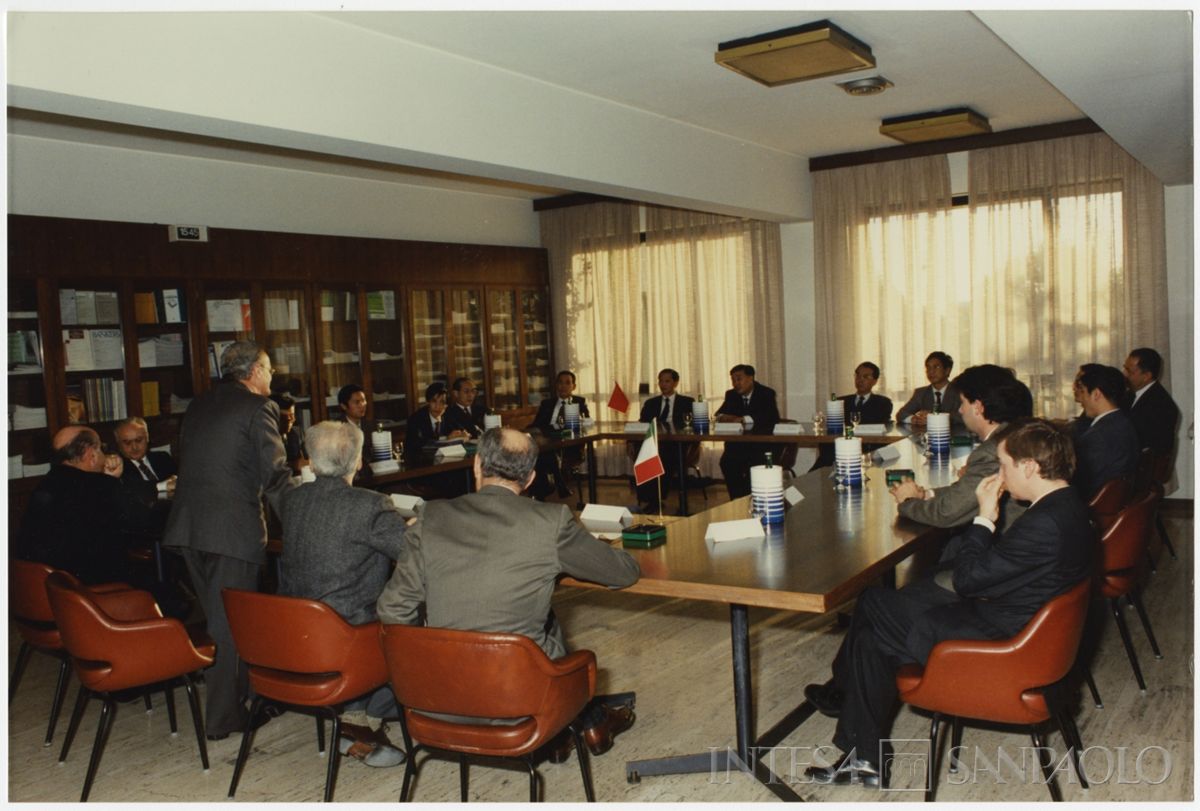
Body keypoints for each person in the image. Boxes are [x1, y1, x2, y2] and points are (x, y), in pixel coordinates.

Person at [804, 418, 1093, 787]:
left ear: (1030, 467)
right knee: (873, 636)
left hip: (1004, 641)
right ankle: (862, 755)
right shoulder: (1070, 507)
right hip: (1025, 625)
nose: (1000, 474)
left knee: (873, 605)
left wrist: (984, 517)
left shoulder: (1044, 523)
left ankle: (858, 740)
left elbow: (967, 580)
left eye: (1004, 465)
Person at [376, 427, 640, 758]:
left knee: (542, 616)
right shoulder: (551, 520)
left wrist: (427, 667)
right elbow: (623, 573)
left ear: (476, 465)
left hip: (435, 701)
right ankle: (583, 724)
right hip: (519, 703)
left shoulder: (430, 516)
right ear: (530, 479)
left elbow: (393, 610)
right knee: (546, 626)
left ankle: (565, 735)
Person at [163, 341, 295, 741]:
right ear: (254, 371)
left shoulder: (200, 404)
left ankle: (249, 694)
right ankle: (222, 719)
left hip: (189, 529)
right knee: (230, 627)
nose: (272, 377)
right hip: (231, 533)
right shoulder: (258, 409)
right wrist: (302, 518)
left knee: (220, 620)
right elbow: (274, 476)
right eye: (269, 369)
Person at [278, 420, 407, 768]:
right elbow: (410, 551)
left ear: (310, 460)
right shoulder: (370, 505)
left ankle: (357, 719)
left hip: (294, 633)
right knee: (415, 619)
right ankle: (362, 720)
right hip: (348, 639)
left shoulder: (292, 500)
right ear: (357, 461)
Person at [891, 364, 1032, 530]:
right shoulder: (1012, 434)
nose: (960, 409)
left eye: (963, 403)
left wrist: (908, 501)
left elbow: (946, 513)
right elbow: (966, 492)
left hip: (1002, 546)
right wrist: (927, 494)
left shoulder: (992, 452)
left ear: (978, 407)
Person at [18, 425, 154, 586]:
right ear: (92, 454)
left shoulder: (46, 483)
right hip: (92, 589)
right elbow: (145, 522)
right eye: (102, 449)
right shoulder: (103, 486)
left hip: (46, 587)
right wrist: (114, 481)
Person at [1073, 364, 1141, 500]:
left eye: (1084, 392)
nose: (1081, 400)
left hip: (1094, 503)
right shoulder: (1123, 422)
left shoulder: (1098, 436)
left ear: (1096, 394)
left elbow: (1082, 484)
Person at [812, 363, 893, 471]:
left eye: (865, 377)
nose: (860, 380)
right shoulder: (841, 402)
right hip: (838, 451)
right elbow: (832, 428)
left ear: (875, 381)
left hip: (866, 453)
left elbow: (879, 428)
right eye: (857, 376)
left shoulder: (883, 403)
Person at [715, 364, 780, 499]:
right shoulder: (731, 395)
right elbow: (718, 414)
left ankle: (751, 498)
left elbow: (771, 417)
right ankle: (737, 499)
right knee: (727, 462)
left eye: (739, 379)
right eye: (733, 380)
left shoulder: (766, 393)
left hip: (760, 446)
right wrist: (723, 417)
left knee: (755, 464)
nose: (736, 384)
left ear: (751, 378)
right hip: (737, 446)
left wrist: (743, 419)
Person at [634, 368, 695, 512]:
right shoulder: (651, 403)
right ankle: (652, 500)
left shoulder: (687, 402)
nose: (663, 384)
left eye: (667, 381)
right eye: (660, 381)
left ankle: (677, 502)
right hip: (655, 442)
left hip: (678, 443)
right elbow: (643, 423)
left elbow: (692, 425)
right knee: (644, 455)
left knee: (665, 456)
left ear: (675, 383)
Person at [529, 370, 590, 500]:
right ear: (556, 385)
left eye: (567, 383)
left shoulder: (579, 402)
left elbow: (587, 422)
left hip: (569, 444)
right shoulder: (547, 404)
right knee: (544, 451)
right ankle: (557, 485)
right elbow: (537, 424)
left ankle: (541, 491)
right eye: (560, 383)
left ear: (573, 386)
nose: (563, 386)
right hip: (548, 439)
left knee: (544, 453)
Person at [1122, 347, 1181, 457]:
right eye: (1125, 368)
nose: (1124, 374)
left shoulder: (1163, 406)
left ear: (1146, 376)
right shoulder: (1128, 394)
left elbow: (1144, 446)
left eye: (1129, 371)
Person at [114, 416, 177, 505]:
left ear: (147, 438)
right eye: (127, 443)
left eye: (139, 440)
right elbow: (135, 490)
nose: (134, 447)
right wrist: (163, 486)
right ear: (118, 444)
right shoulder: (118, 467)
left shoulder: (163, 457)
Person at [895, 351, 963, 429]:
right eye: (928, 368)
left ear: (947, 370)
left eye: (936, 367)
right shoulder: (920, 393)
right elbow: (901, 414)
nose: (931, 371)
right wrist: (914, 419)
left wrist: (933, 416)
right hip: (928, 437)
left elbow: (964, 417)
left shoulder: (960, 392)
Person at [404, 381, 467, 449]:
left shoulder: (449, 416)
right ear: (428, 402)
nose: (437, 406)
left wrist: (462, 435)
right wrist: (446, 439)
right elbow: (419, 444)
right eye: (434, 401)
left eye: (442, 402)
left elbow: (463, 432)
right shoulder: (416, 419)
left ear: (446, 405)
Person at [270, 392, 308, 473]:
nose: (293, 420)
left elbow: (304, 459)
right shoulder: (267, 438)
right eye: (289, 416)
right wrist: (292, 465)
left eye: (293, 415)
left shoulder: (295, 433)